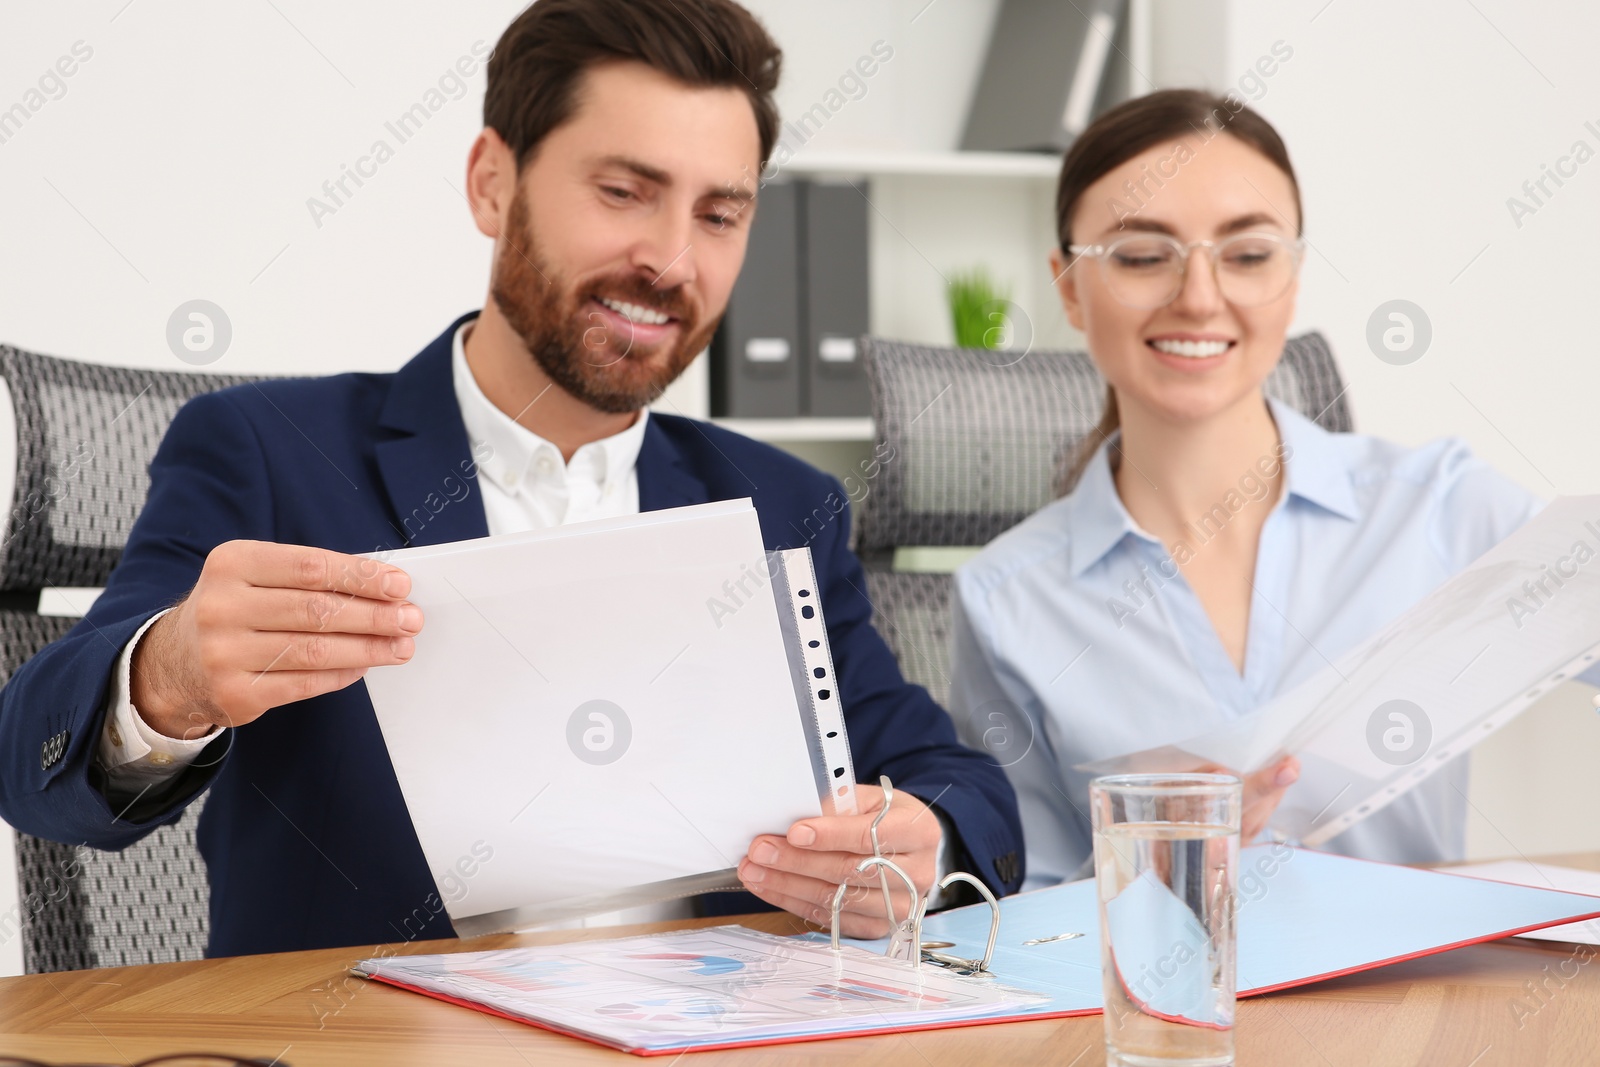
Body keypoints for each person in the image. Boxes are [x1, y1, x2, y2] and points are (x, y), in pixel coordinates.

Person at [0, 0, 1022, 956]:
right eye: (623, 191)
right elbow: (26, 757)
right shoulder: (269, 452)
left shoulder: (782, 503)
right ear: (493, 181)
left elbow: (963, 785)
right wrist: (166, 673)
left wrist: (919, 835)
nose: (671, 259)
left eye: (719, 215)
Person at [949, 89, 1541, 889]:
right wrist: (1153, 854)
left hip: (1423, 1006)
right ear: (1067, 289)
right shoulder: (1004, 599)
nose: (1198, 295)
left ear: (1292, 278)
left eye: (1249, 254)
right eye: (1140, 254)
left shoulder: (1438, 509)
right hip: (1159, 1010)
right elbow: (1031, 903)